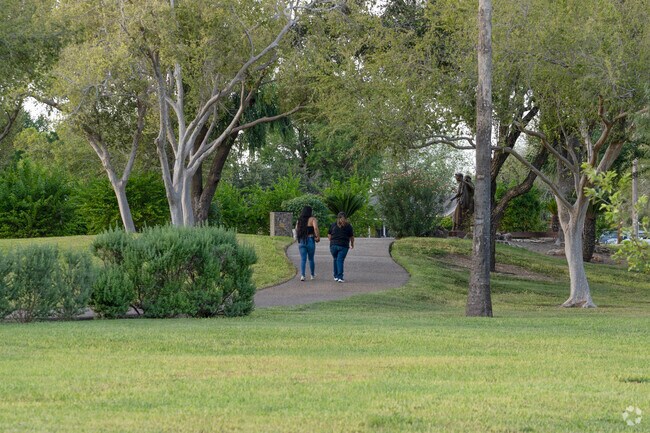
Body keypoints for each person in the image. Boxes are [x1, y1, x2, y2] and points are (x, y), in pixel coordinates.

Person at [328, 211, 354, 283]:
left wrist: (332, 241)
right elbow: (351, 237)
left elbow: (329, 235)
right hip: (343, 246)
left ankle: (336, 276)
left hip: (333, 245)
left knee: (335, 259)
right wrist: (352, 244)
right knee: (340, 260)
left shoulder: (333, 225)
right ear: (345, 218)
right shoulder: (348, 226)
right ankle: (340, 277)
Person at [295, 206, 320, 281]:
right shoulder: (312, 219)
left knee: (303, 259)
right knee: (311, 259)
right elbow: (315, 228)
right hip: (310, 240)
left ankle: (302, 275)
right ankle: (312, 275)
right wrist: (318, 237)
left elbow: (296, 229)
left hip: (302, 240)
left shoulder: (299, 220)